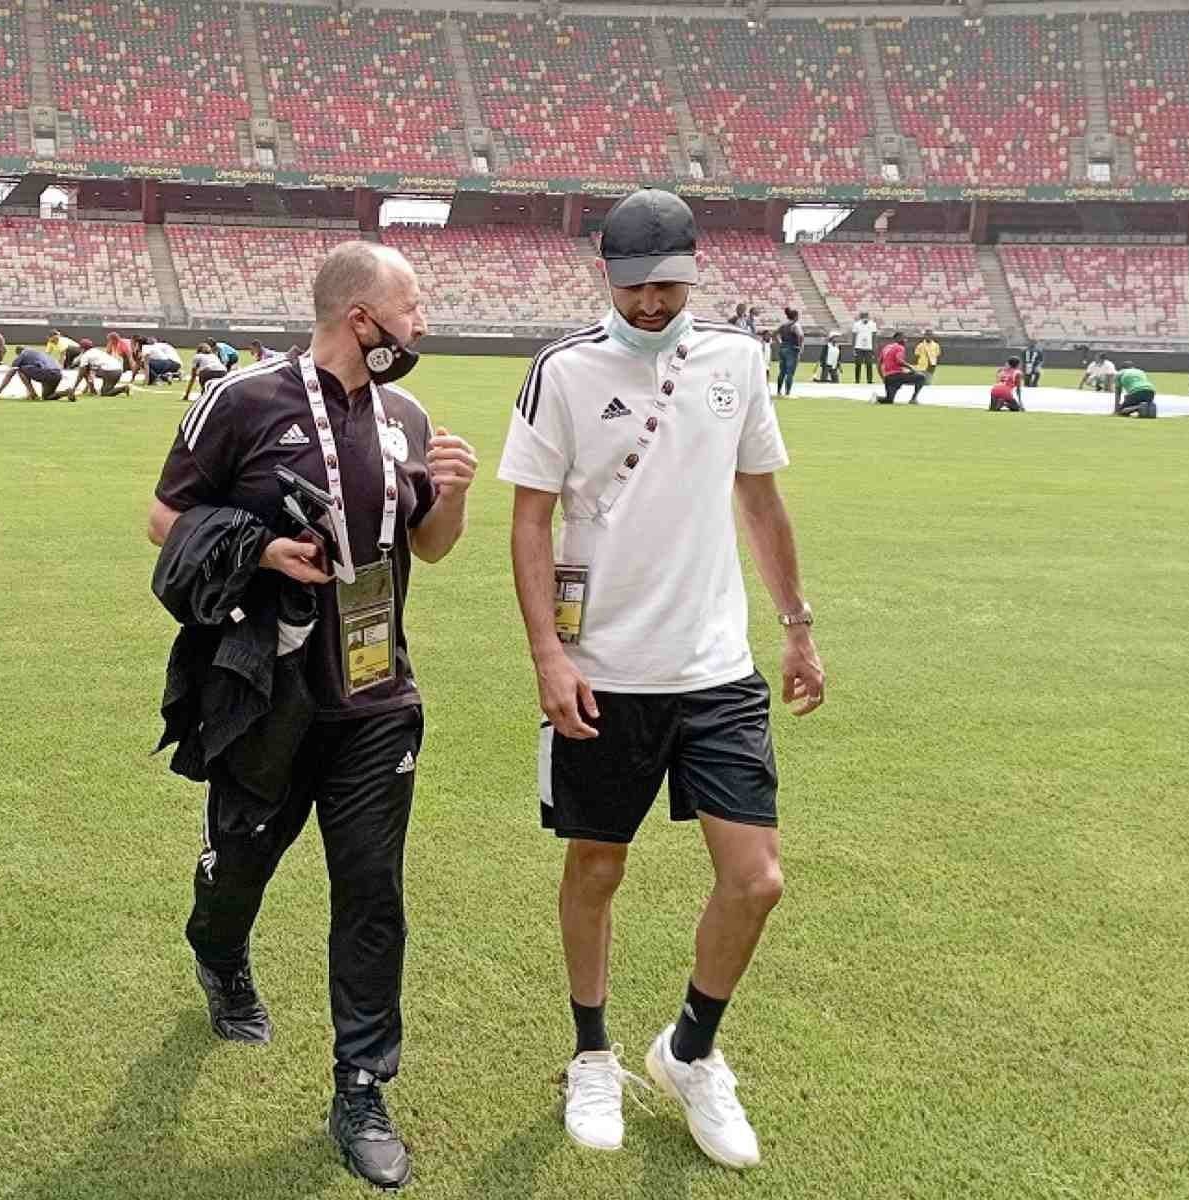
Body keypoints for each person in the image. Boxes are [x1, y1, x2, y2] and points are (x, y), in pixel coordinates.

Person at [498, 188, 822, 1171]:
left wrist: (796, 627)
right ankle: (592, 1052)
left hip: (716, 669)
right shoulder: (561, 370)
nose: (650, 305)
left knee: (755, 878)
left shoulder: (734, 360)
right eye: (634, 288)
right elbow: (527, 519)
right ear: (607, 276)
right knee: (597, 868)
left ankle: (688, 1050)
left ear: (694, 272)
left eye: (668, 286)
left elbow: (759, 500)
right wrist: (547, 656)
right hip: (602, 674)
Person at [145, 240, 475, 1191]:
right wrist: (255, 550)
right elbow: (165, 518)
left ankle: (362, 1086)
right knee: (241, 859)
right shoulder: (242, 401)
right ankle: (219, 949)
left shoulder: (408, 415)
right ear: (363, 319)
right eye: (412, 310)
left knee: (371, 890)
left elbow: (434, 547)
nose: (422, 326)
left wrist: (449, 495)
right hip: (269, 689)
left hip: (379, 697)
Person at [0, 345, 68, 401]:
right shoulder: (40, 353)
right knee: (47, 397)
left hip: (47, 374)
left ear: (18, 353)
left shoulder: (22, 355)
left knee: (20, 369)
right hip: (58, 374)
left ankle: (33, 394)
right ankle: (67, 392)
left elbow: (10, 374)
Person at [67, 343, 131, 397]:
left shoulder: (85, 356)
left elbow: (80, 375)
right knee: (105, 392)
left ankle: (92, 390)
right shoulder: (96, 351)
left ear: (83, 349)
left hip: (110, 371)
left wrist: (74, 388)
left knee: (85, 370)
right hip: (118, 370)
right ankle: (124, 388)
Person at [877, 332, 926, 404]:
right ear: (898, 338)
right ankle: (913, 399)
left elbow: (879, 364)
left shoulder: (886, 347)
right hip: (897, 375)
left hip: (889, 377)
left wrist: (883, 377)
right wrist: (911, 367)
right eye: (904, 338)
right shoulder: (900, 347)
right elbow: (899, 360)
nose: (905, 341)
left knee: (889, 400)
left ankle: (876, 398)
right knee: (921, 377)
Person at [773, 308, 803, 395]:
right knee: (790, 372)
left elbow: (774, 333)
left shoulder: (783, 325)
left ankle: (778, 391)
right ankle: (787, 392)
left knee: (782, 371)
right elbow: (800, 335)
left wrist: (780, 343)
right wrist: (800, 347)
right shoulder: (795, 325)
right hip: (792, 349)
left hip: (783, 348)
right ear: (796, 316)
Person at [851, 311, 878, 383]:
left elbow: (874, 337)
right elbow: (854, 337)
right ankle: (857, 380)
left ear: (868, 316)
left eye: (866, 316)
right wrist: (853, 348)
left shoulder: (873, 324)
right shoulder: (856, 324)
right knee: (858, 364)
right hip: (858, 347)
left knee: (869, 364)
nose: (864, 317)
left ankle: (869, 380)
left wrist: (874, 348)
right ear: (860, 317)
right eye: (863, 316)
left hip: (869, 348)